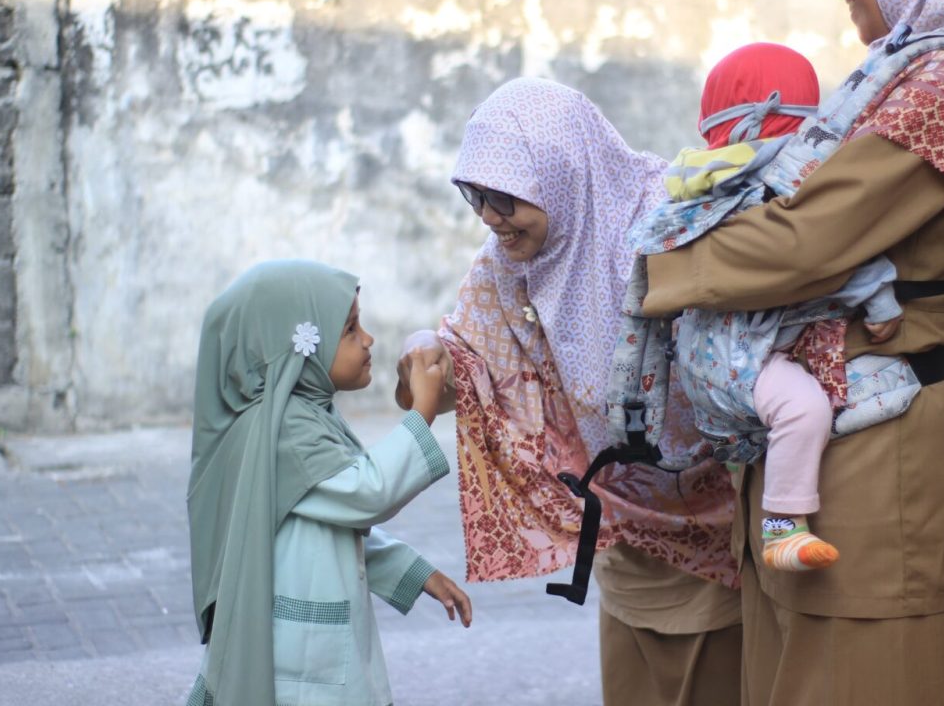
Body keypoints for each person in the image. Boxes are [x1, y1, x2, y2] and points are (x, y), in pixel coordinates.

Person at [637, 0, 944, 703]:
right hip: (838, 458)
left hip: (878, 470)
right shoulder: (903, 73)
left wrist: (654, 267)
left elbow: (805, 241)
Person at [397, 78, 742, 706]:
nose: (489, 217)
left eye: (503, 197)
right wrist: (427, 346)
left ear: (559, 173)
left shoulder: (662, 223)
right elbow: (466, 359)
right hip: (622, 531)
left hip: (716, 523)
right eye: (474, 195)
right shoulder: (512, 260)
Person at [649, 42, 904, 573]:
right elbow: (830, 250)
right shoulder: (779, 183)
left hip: (712, 353)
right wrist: (880, 303)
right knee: (803, 409)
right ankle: (784, 528)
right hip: (740, 356)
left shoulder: (702, 178)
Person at [185, 260, 472, 706]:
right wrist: (423, 413)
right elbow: (367, 493)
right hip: (298, 662)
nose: (368, 340)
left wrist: (412, 572)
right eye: (351, 330)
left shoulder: (305, 414)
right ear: (302, 348)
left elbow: (331, 519)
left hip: (309, 648)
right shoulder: (285, 431)